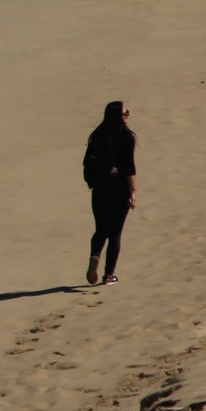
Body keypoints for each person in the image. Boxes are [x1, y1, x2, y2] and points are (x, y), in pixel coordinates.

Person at [82, 100, 136, 285]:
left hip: (99, 189)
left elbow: (87, 163)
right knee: (115, 233)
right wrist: (133, 190)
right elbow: (129, 167)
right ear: (118, 116)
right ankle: (108, 275)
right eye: (126, 112)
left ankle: (94, 256)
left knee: (101, 229)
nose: (128, 115)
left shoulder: (97, 134)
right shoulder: (126, 137)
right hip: (119, 189)